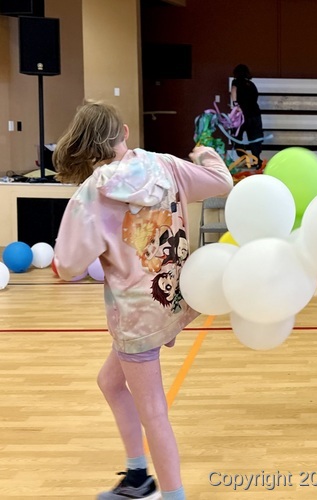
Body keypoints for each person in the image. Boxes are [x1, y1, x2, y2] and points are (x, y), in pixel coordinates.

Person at [52, 102, 233, 500]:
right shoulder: (165, 165)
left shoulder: (92, 193)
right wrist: (204, 152)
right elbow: (222, 183)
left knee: (154, 412)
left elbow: (67, 267)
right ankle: (138, 478)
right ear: (125, 132)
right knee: (109, 382)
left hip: (135, 318)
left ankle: (170, 494)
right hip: (171, 301)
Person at [230, 64, 264, 161]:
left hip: (242, 114)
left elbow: (234, 91)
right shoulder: (251, 85)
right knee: (255, 137)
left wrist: (236, 105)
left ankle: (242, 156)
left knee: (236, 136)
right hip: (255, 113)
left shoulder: (236, 82)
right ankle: (257, 159)